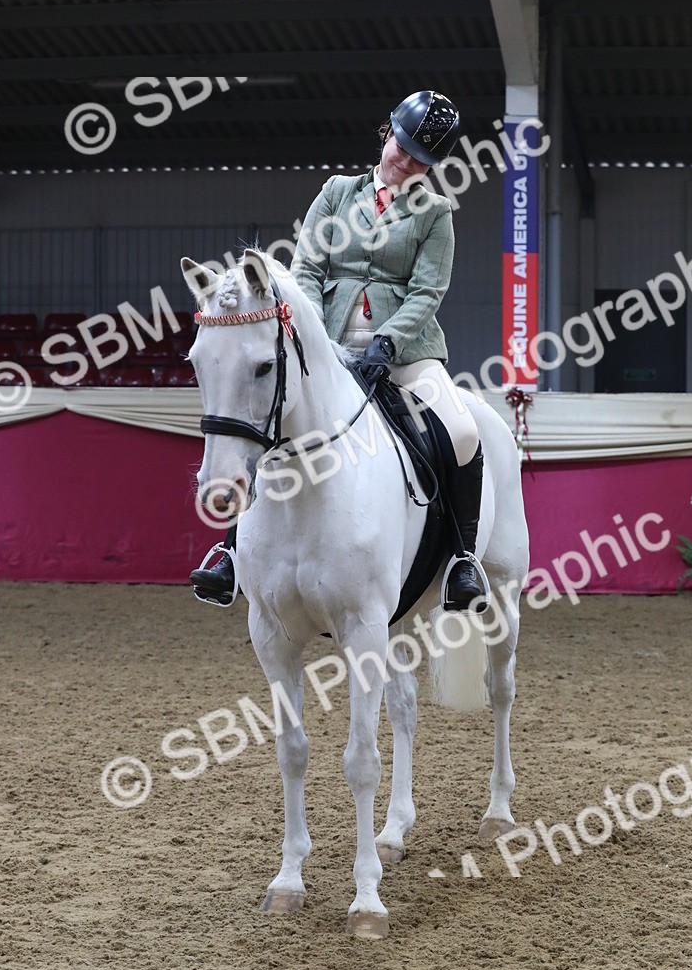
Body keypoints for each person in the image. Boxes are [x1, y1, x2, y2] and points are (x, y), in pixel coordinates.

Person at [190, 90, 488, 613]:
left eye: (421, 159)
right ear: (387, 133)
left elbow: (427, 291)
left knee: (461, 432)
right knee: (265, 416)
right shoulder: (336, 193)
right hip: (325, 348)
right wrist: (316, 339)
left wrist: (387, 341)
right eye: (403, 146)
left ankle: (462, 557)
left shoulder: (435, 213)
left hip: (406, 352)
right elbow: (306, 268)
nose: (406, 161)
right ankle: (231, 551)